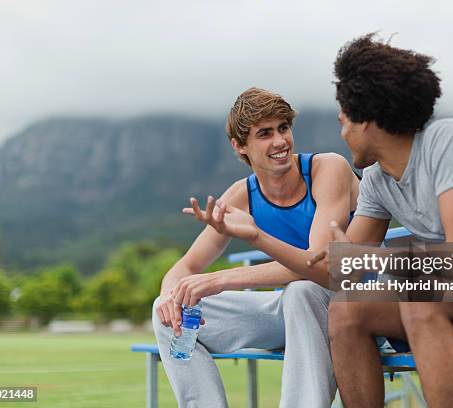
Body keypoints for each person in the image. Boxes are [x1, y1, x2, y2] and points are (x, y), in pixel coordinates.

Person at [187, 35, 453, 408]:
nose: (341, 133)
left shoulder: (448, 141)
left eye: (344, 122)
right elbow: (336, 274)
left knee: (418, 301)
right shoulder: (376, 180)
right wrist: (257, 236)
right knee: (345, 309)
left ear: (369, 121)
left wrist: (376, 263)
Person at [152, 87, 360, 408]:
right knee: (167, 309)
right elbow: (186, 267)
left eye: (283, 128)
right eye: (264, 133)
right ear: (240, 145)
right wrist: (170, 296)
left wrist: (222, 278)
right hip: (295, 311)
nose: (279, 141)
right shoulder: (241, 195)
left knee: (302, 292)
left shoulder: (327, 169)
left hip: (354, 303)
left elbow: (320, 266)